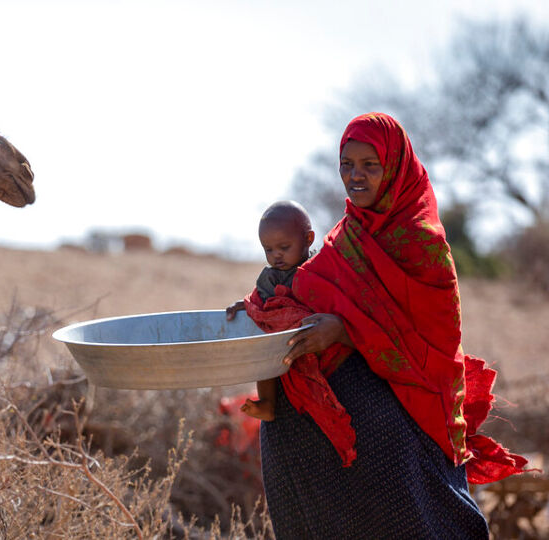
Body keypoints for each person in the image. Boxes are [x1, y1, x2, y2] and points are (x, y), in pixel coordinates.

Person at [248, 113, 528, 538]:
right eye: (346, 164)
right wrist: (257, 303)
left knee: (396, 464)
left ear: (394, 166)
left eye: (369, 165)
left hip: (406, 396)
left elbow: (434, 341)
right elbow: (301, 288)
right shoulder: (345, 236)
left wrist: (344, 330)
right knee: (285, 430)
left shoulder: (421, 241)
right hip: (342, 397)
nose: (355, 176)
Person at [226, 201, 315, 422]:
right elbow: (260, 301)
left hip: (311, 342)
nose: (276, 255)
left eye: (284, 248)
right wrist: (246, 305)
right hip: (278, 345)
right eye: (268, 249)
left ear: (308, 239)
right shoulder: (270, 276)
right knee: (262, 358)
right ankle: (267, 403)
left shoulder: (318, 268)